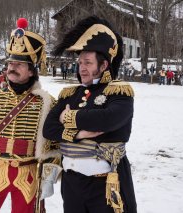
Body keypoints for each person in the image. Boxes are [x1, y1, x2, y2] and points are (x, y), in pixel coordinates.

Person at [0, 18, 60, 213]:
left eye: (19, 64)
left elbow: (55, 145)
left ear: (32, 71)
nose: (11, 67)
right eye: (10, 63)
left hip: (29, 173)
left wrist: (48, 177)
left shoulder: (47, 102)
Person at [43, 16, 137, 213]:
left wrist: (68, 118)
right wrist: (78, 134)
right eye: (80, 62)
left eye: (87, 62)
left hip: (103, 186)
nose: (81, 68)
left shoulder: (119, 92)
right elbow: (49, 128)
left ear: (103, 66)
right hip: (71, 185)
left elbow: (107, 120)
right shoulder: (70, 94)